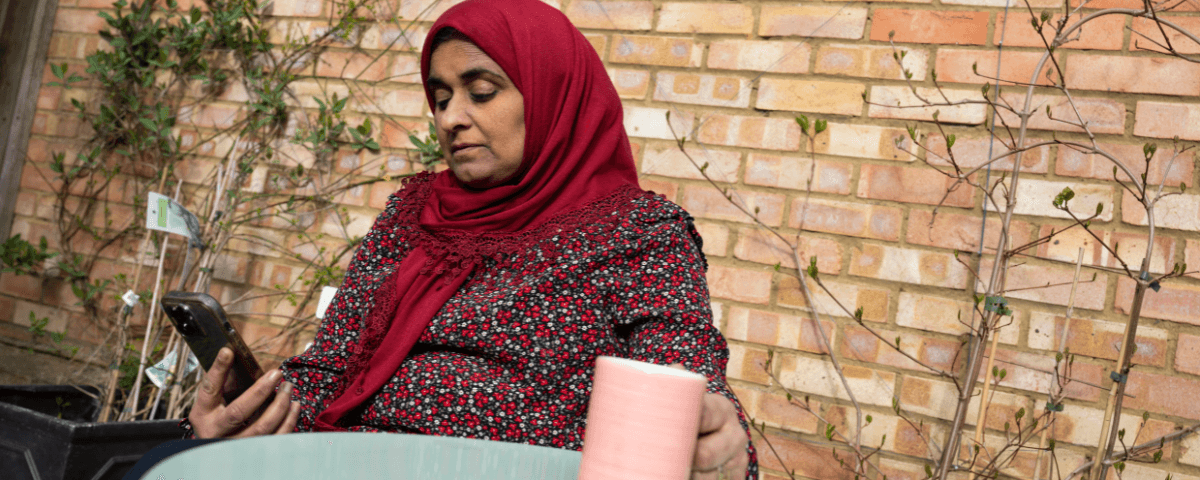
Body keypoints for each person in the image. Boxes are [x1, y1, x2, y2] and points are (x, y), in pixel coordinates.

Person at [177, 0, 758, 478]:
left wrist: (718, 443)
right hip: (347, 460)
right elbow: (332, 367)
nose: (451, 117)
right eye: (441, 95)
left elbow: (684, 388)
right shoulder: (414, 213)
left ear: (552, 93)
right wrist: (244, 412)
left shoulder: (638, 234)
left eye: (480, 92)